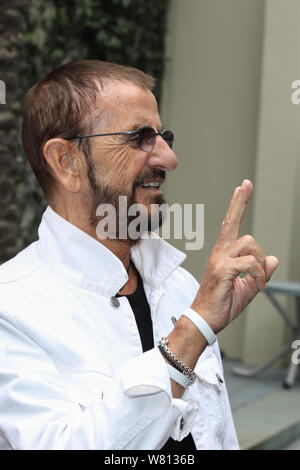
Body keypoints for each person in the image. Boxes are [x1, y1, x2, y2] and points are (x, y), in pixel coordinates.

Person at [0, 60, 278, 450]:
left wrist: (197, 323)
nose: (168, 158)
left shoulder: (180, 287)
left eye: (163, 136)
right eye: (139, 137)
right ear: (66, 162)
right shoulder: (11, 308)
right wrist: (191, 334)